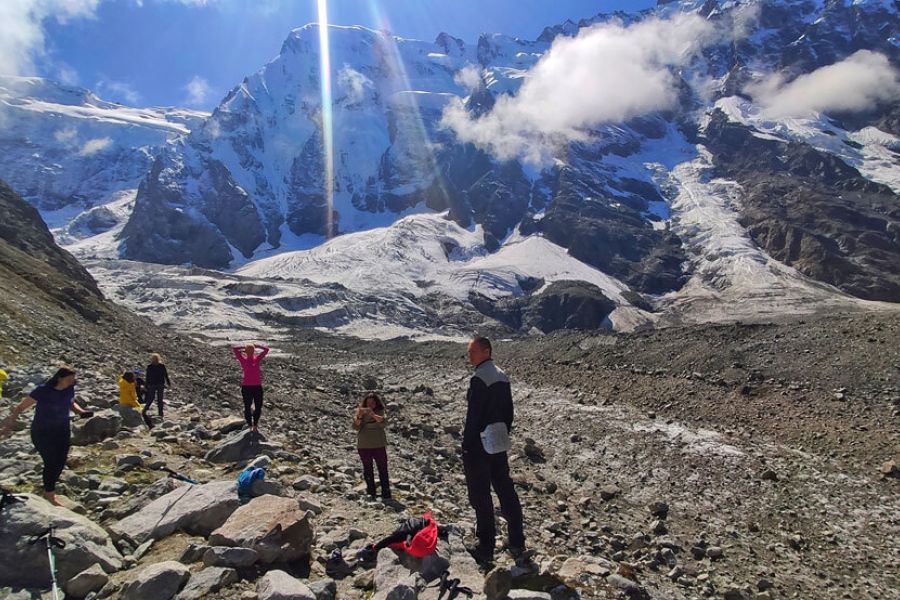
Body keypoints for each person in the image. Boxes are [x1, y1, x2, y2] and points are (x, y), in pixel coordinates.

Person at [462, 336, 525, 563]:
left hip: (479, 444)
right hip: (498, 441)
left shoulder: (480, 378)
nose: (469, 356)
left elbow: (474, 416)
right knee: (506, 490)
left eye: (472, 351)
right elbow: (509, 412)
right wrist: (502, 432)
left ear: (486, 351)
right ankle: (517, 540)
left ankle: (485, 547)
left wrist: (467, 445)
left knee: (480, 494)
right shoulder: (502, 375)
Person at [0, 367, 93, 506]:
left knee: (60, 460)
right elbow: (20, 408)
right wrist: (8, 426)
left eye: (73, 379)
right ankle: (50, 494)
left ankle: (49, 488)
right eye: (70, 379)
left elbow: (70, 402)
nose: (73, 381)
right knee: (51, 461)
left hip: (62, 429)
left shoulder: (69, 388)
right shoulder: (43, 390)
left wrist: (81, 411)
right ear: (60, 378)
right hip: (42, 431)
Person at [352, 392, 390, 499]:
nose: (370, 405)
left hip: (378, 444)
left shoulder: (381, 411)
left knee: (382, 468)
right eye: (368, 403)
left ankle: (386, 492)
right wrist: (359, 416)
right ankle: (371, 492)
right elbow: (355, 427)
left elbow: (383, 423)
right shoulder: (360, 412)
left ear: (376, 403)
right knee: (367, 469)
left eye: (372, 403)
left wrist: (372, 414)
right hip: (364, 445)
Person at [232, 343, 269, 432]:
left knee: (252, 406)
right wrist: (256, 346)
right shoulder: (253, 359)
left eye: (251, 350)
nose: (251, 351)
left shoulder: (245, 359)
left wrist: (247, 346)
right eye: (250, 350)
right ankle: (252, 425)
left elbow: (235, 349)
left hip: (250, 387)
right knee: (253, 406)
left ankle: (252, 425)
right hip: (253, 387)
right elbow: (266, 350)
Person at [144, 353, 171, 421]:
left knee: (158, 399)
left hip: (158, 384)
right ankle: (145, 410)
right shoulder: (150, 366)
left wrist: (168, 382)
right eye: (153, 359)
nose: (154, 360)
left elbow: (165, 375)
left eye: (155, 359)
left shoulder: (161, 366)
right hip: (154, 384)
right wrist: (146, 385)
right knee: (153, 398)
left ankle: (160, 413)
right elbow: (147, 376)